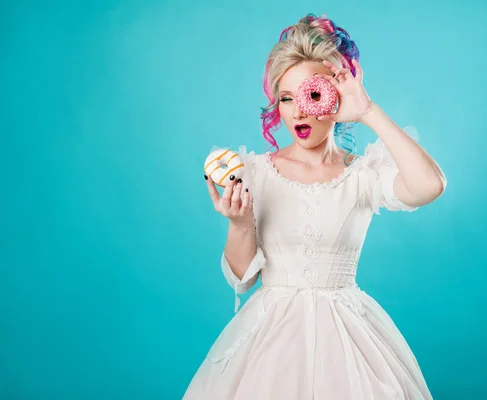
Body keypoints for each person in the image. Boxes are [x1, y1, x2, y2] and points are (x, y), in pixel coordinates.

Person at [183, 13, 446, 400]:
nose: (297, 112)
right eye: (285, 98)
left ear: (333, 94)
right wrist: (239, 223)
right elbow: (241, 279)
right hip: (268, 345)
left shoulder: (363, 175)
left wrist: (368, 111)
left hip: (349, 339)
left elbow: (430, 185)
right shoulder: (255, 171)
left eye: (309, 94)